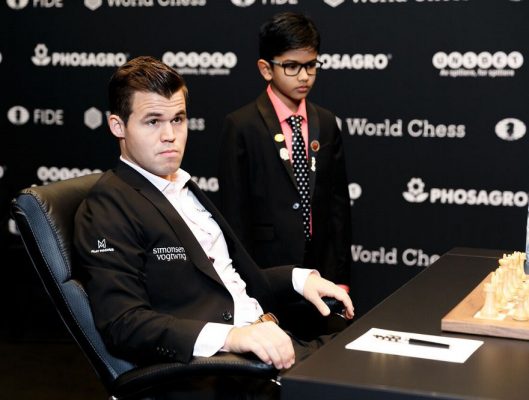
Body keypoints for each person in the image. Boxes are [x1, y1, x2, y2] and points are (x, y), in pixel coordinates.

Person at [73, 56, 353, 399]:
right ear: (118, 126)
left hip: (271, 347)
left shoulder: (183, 187)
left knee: (378, 360)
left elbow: (232, 282)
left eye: (178, 119)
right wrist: (232, 337)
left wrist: (299, 278)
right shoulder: (107, 206)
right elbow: (124, 323)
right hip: (221, 375)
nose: (170, 136)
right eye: (152, 122)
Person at [218, 12, 351, 286]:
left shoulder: (325, 122)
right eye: (291, 66)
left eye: (311, 65)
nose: (304, 76)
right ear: (266, 69)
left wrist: (341, 277)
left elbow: (339, 210)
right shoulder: (242, 126)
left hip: (321, 270)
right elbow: (234, 215)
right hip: (266, 272)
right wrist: (245, 283)